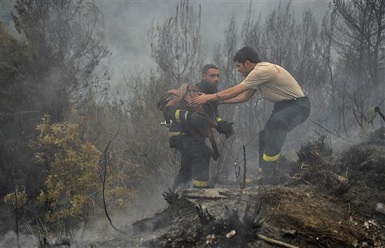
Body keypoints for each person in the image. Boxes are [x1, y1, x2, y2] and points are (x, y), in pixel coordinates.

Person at [190, 47, 310, 181]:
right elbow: (244, 97)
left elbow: (236, 90)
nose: (238, 70)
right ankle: (264, 172)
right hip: (283, 106)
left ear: (247, 63)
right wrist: (219, 102)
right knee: (264, 135)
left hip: (297, 105)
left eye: (239, 66)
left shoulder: (260, 71)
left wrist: (209, 97)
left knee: (276, 125)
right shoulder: (258, 74)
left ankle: (270, 170)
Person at [158, 64, 234, 191]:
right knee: (202, 153)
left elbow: (213, 115)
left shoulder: (211, 95)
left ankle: (176, 195)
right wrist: (189, 116)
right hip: (180, 134)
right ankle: (200, 191)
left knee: (187, 168)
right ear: (204, 76)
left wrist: (221, 125)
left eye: (218, 76)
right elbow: (169, 111)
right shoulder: (190, 92)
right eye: (212, 76)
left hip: (195, 137)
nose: (216, 79)